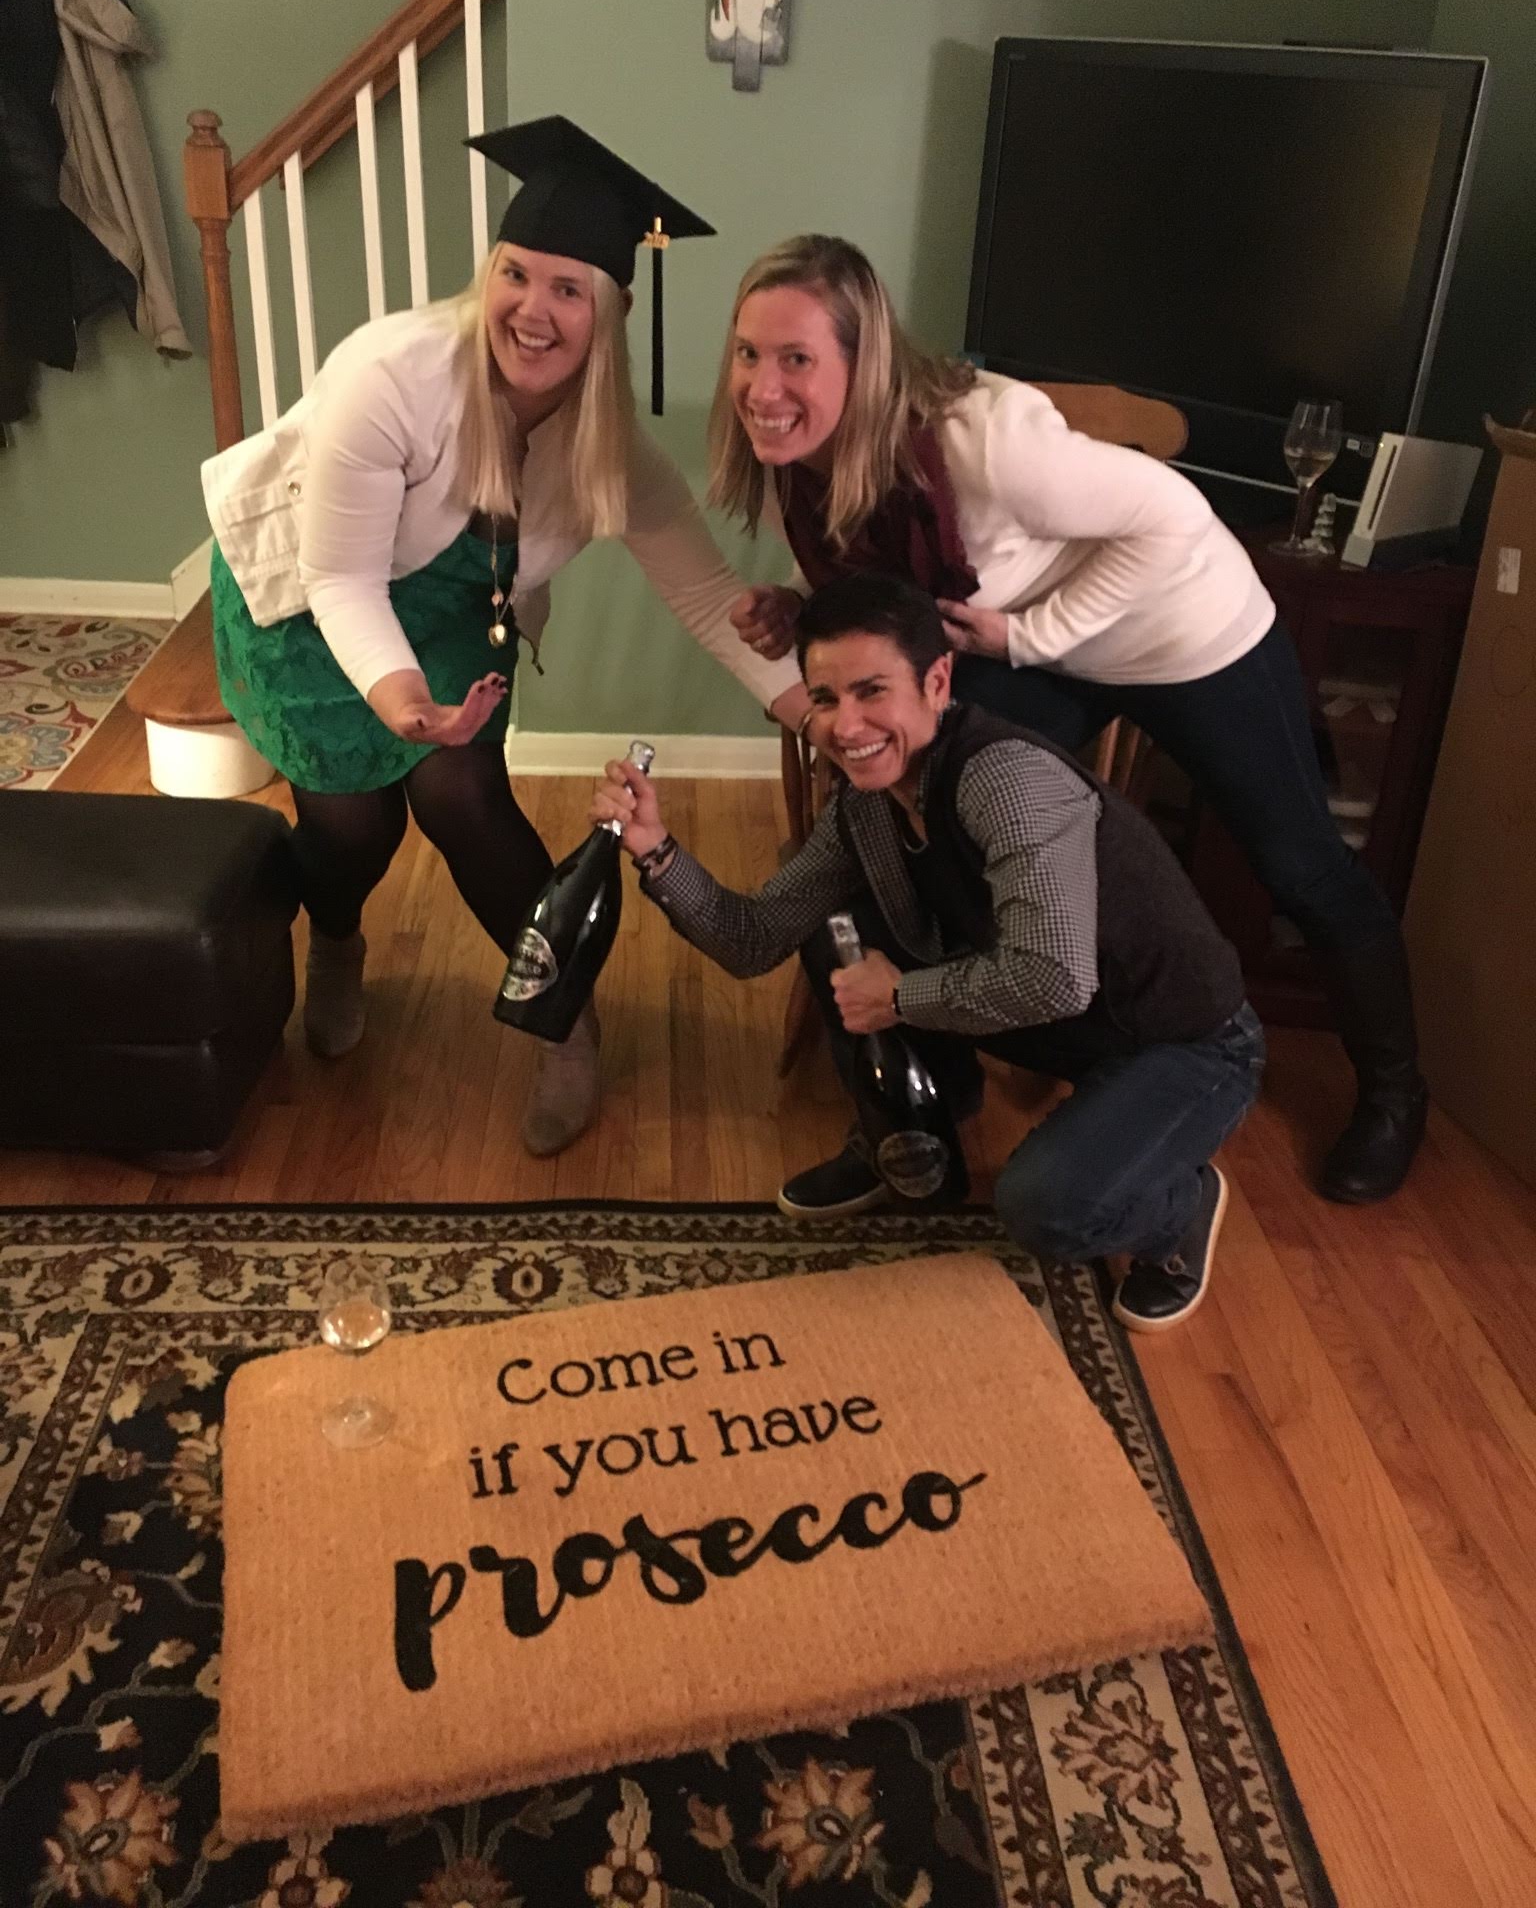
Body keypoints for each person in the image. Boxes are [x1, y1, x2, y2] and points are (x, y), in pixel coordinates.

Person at [712, 233, 1425, 1204]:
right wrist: (799, 606)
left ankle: (1394, 1093)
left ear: (863, 362)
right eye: (749, 353)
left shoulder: (986, 440)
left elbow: (1175, 520)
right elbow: (891, 582)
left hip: (1184, 631)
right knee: (906, 804)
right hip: (1035, 645)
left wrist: (1032, 635)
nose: (762, 386)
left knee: (1301, 865)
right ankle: (935, 1088)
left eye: (795, 357)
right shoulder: (802, 459)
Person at [203, 118, 808, 1159]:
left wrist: (811, 711)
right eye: (515, 274)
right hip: (312, 598)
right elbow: (341, 577)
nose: (533, 309)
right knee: (353, 829)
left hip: (453, 610)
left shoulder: (612, 453)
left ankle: (563, 1017)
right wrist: (400, 698)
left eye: (569, 288)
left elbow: (711, 598)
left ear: (612, 311)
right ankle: (337, 941)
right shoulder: (391, 375)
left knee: (464, 798)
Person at [593, 574, 1265, 1332]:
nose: (846, 726)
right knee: (835, 926)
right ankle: (906, 1136)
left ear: (937, 682)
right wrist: (655, 850)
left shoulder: (1005, 781)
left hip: (1182, 1039)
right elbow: (753, 940)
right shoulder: (865, 802)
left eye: (872, 691)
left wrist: (898, 997)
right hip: (1057, 1020)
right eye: (825, 698)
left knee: (1044, 1206)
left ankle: (1179, 1205)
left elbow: (1052, 977)